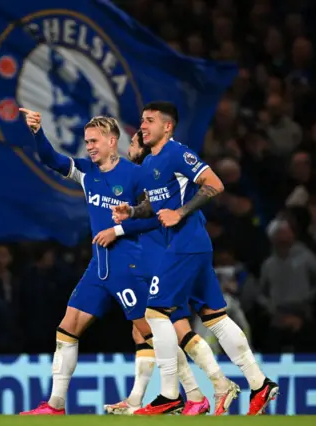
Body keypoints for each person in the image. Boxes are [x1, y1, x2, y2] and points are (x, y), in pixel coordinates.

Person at [18, 109, 212, 416]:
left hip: (129, 267)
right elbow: (51, 160)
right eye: (86, 141)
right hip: (99, 267)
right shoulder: (86, 172)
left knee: (150, 333)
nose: (89, 146)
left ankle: (194, 394)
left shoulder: (136, 175)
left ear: (112, 141)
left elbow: (156, 221)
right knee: (67, 328)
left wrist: (118, 229)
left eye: (94, 141)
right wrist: (37, 132)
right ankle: (55, 405)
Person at [112, 102, 278, 415]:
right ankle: (260, 383)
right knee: (215, 316)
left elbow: (215, 183)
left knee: (155, 312)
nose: (142, 127)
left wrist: (181, 211)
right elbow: (153, 205)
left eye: (149, 121)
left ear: (167, 126)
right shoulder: (150, 163)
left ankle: (170, 394)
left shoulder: (178, 153)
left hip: (187, 242)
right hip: (186, 244)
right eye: (142, 121)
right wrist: (132, 211)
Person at [103, 131, 240, 415]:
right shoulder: (147, 174)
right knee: (143, 331)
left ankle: (209, 386)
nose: (130, 147)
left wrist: (119, 228)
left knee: (175, 326)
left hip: (164, 258)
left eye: (133, 142)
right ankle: (145, 399)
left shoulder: (153, 174)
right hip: (149, 259)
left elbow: (156, 220)